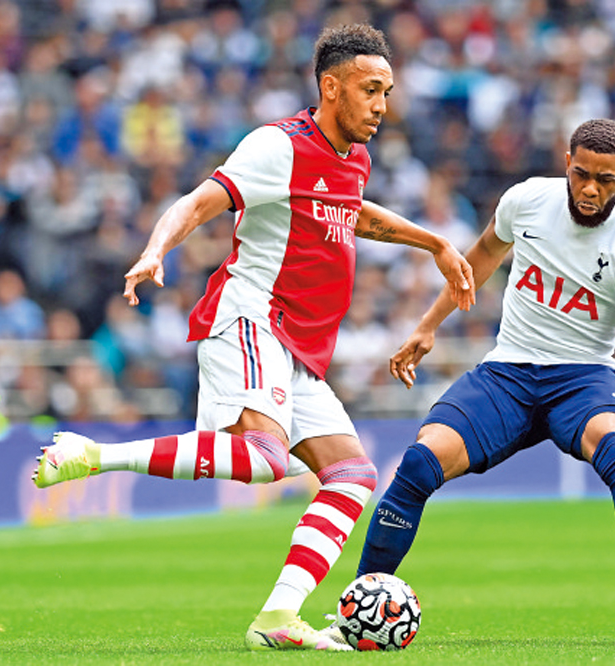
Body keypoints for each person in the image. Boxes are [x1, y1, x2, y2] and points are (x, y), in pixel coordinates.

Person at [31, 24, 474, 652]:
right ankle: (93, 454)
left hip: (298, 348)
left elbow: (354, 214)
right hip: (252, 318)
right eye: (371, 90)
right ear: (331, 87)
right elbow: (198, 202)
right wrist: (156, 249)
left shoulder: (355, 158)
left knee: (352, 475)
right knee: (264, 459)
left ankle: (278, 616)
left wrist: (434, 242)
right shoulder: (277, 146)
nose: (382, 105)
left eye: (387, 92)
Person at [346, 119, 615, 642]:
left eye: (605, 180)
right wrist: (428, 326)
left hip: (585, 376)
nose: (590, 189)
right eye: (581, 174)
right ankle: (358, 607)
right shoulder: (526, 200)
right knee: (418, 462)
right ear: (566, 162)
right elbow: (481, 258)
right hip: (508, 371)